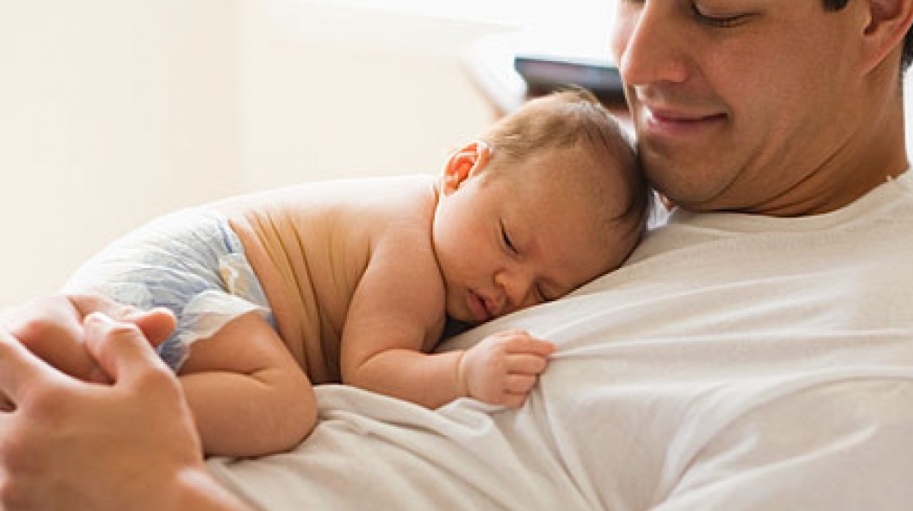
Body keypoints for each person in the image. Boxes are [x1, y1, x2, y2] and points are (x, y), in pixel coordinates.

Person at [1, 0, 913, 509]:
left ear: (882, 9)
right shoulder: (645, 198)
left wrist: (151, 493)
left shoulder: (877, 393)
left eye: (716, 11)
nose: (639, 58)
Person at [34, 88, 651, 458]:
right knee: (281, 408)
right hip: (196, 275)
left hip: (158, 274)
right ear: (463, 170)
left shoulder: (442, 236)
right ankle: (104, 417)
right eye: (510, 242)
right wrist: (464, 371)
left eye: (547, 291)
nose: (512, 287)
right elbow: (373, 369)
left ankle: (89, 392)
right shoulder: (409, 243)